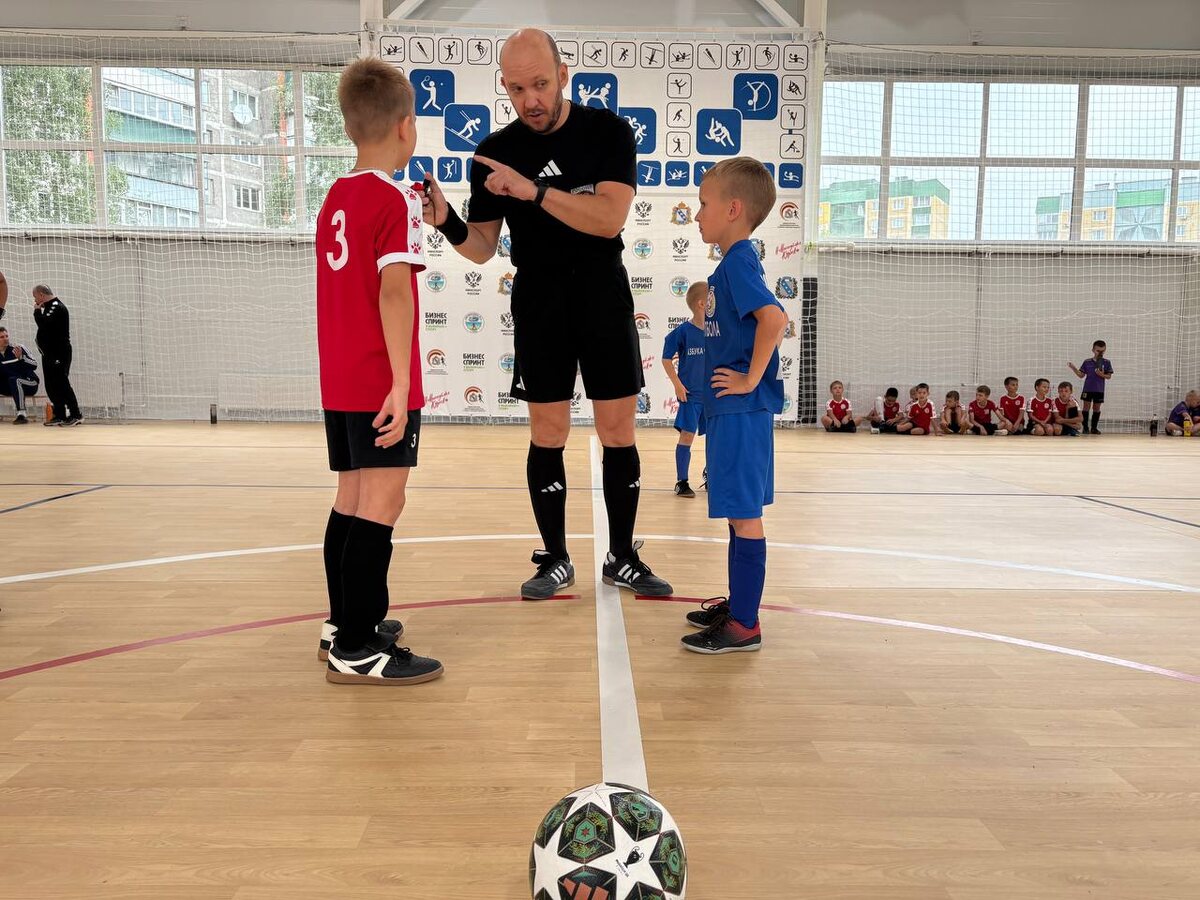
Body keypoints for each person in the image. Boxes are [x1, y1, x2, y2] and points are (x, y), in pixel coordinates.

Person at [420, 27, 672, 600]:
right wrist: (447, 221)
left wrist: (532, 191)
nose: (530, 100)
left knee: (617, 430)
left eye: (539, 84)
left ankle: (622, 555)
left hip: (602, 292)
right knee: (548, 433)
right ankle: (555, 557)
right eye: (516, 89)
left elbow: (608, 219)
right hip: (539, 300)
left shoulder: (608, 132)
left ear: (562, 75)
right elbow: (482, 247)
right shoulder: (495, 151)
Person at [314, 58, 443, 686]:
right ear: (405, 125)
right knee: (382, 503)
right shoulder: (394, 198)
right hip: (377, 379)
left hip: (340, 379)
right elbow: (394, 292)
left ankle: (342, 624)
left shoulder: (335, 197)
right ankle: (359, 646)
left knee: (351, 499)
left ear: (349, 127)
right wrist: (399, 383)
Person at [681, 157, 786, 654]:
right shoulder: (730, 265)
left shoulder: (739, 261)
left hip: (742, 411)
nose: (697, 214)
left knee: (745, 516)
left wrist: (749, 377)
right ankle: (738, 606)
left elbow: (774, 319)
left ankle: (745, 624)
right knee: (735, 514)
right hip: (731, 413)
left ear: (733, 209)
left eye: (704, 204)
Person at [661, 281, 707, 498]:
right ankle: (682, 481)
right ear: (701, 303)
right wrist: (678, 384)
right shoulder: (683, 332)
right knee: (687, 435)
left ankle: (711, 474)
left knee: (716, 437)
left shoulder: (718, 331)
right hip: (691, 395)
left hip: (714, 396)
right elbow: (666, 359)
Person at [32, 285, 81, 426]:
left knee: (62, 383)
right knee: (51, 385)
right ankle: (59, 414)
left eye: (35, 297)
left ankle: (76, 414)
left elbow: (43, 324)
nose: (35, 300)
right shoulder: (49, 307)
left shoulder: (56, 307)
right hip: (49, 354)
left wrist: (36, 311)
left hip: (59, 353)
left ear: (41, 295)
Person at [1069, 340, 1112, 434]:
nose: (1100, 353)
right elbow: (1081, 375)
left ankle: (1094, 428)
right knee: (1086, 408)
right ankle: (1085, 428)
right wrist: (1074, 368)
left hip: (1099, 390)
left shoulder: (1106, 362)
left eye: (1102, 351)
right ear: (1093, 350)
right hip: (1088, 389)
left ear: (1105, 350)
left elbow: (1109, 376)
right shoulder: (1087, 362)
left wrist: (1102, 375)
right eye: (1098, 351)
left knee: (1096, 408)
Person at [0, 326, 38, 424]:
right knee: (13, 380)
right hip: (11, 386)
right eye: (2, 337)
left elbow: (34, 365)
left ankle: (22, 414)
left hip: (30, 383)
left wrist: (21, 358)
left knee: (15, 380)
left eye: (6, 336)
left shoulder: (18, 348)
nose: (5, 339)